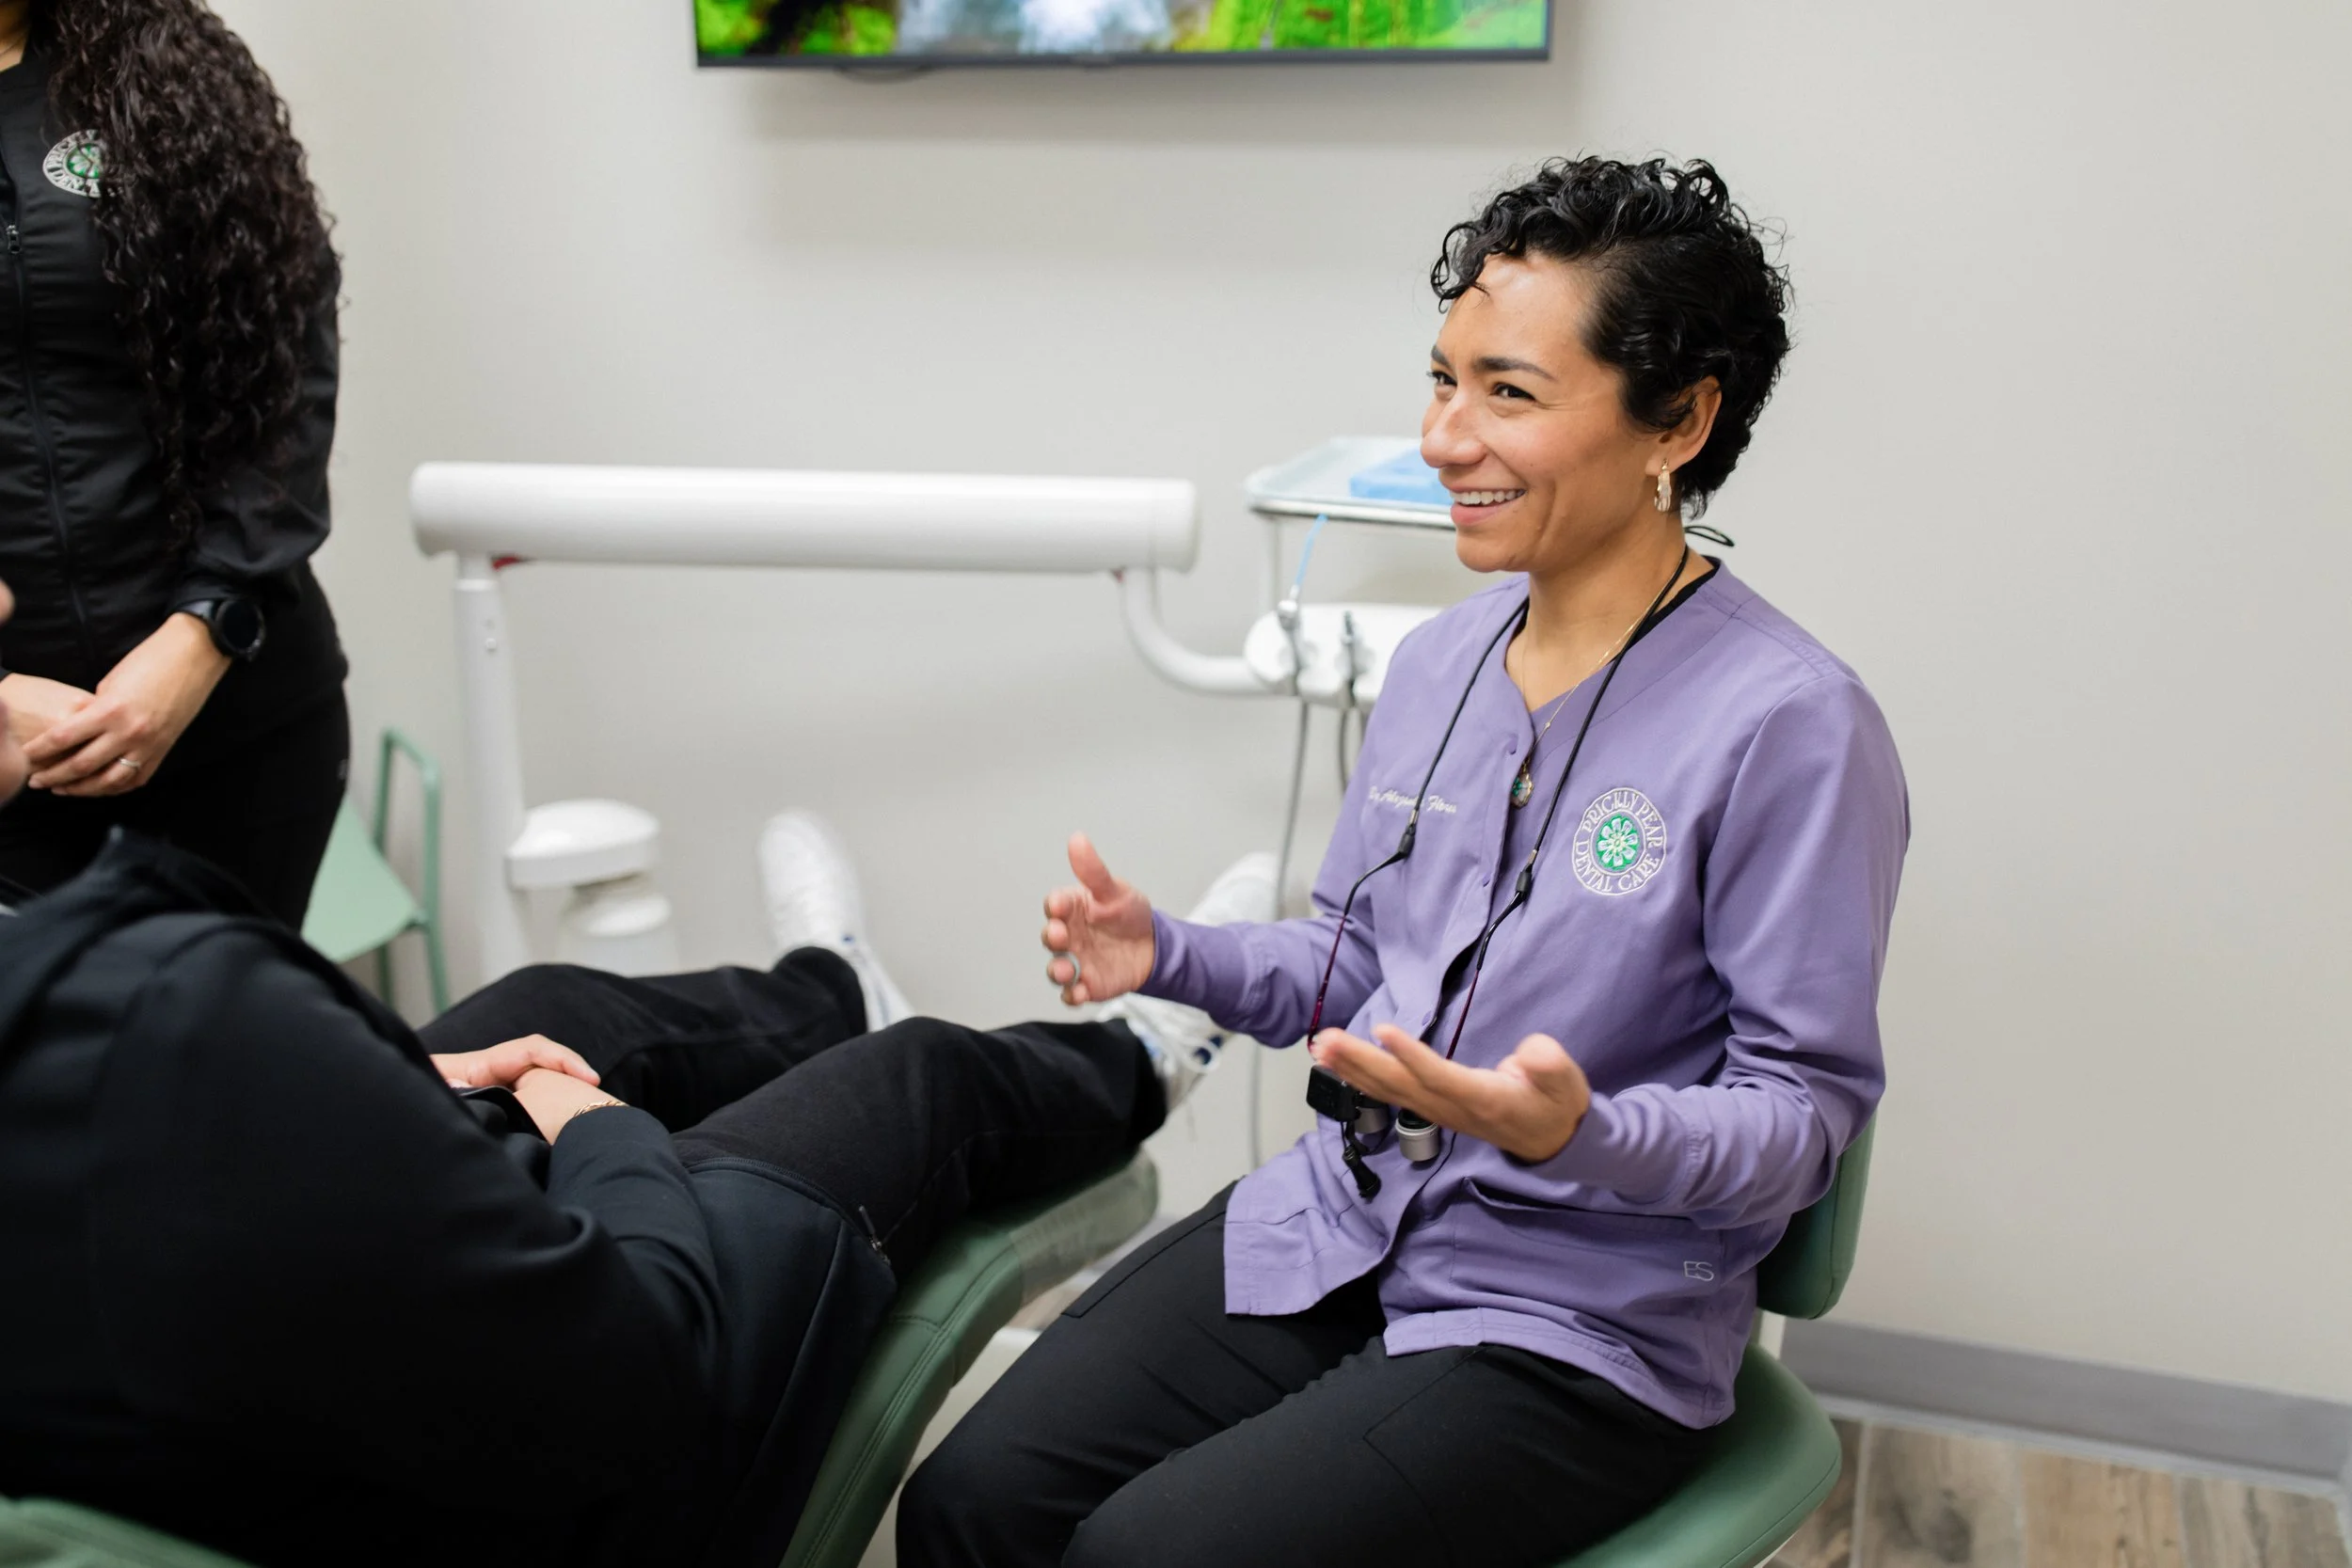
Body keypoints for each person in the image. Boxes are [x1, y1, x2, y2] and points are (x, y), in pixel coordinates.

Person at [899, 156, 1911, 1568]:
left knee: (1147, 1555)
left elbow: (1799, 1118)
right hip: (1348, 1218)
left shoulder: (1790, 725)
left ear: (1677, 418)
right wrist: (1169, 951)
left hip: (1576, 1321)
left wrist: (1577, 1130)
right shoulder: (1441, 664)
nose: (1444, 438)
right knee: (972, 1499)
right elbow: (1367, 965)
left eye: (1508, 392)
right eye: (1442, 380)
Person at [0, 562, 1282, 1568]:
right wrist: (592, 1123)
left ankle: (830, 985)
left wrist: (404, 1080)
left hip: (304, 1360)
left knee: (544, 1003)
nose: (11, 603)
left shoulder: (88, 1012)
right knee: (917, 1079)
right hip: (598, 1471)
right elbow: (641, 1339)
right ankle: (1136, 1056)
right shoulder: (165, 1000)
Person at [0, 0, 347, 926]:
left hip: (233, 718)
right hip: (11, 757)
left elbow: (285, 365)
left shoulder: (160, 63)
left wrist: (203, 632)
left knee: (237, 1053)